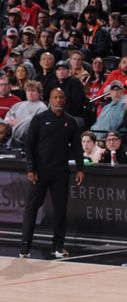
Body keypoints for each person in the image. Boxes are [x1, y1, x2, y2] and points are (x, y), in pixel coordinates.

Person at [20, 88, 84, 258]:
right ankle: (25, 247)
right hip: (40, 172)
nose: (58, 100)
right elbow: (29, 145)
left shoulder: (70, 122)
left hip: (61, 172)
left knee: (60, 210)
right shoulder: (39, 119)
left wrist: (80, 169)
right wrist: (30, 169)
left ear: (65, 99)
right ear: (50, 100)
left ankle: (58, 247)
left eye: (61, 97)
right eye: (55, 97)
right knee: (32, 208)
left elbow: (77, 147)